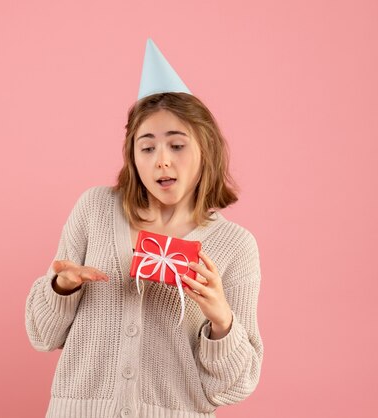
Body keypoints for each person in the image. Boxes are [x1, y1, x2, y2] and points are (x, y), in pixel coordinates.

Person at [25, 39, 263, 418]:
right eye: (147, 147)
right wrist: (61, 288)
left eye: (177, 146)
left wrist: (221, 319)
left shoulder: (235, 246)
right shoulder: (96, 209)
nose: (162, 162)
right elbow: (42, 335)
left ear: (206, 150)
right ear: (132, 156)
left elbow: (232, 388)